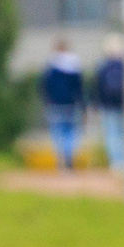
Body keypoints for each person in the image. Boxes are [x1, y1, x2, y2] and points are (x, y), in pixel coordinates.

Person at [40, 40, 86, 170]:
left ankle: (60, 158)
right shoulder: (74, 67)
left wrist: (46, 101)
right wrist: (82, 105)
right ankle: (69, 156)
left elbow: (44, 87)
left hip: (54, 104)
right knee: (70, 132)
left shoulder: (50, 68)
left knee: (57, 132)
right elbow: (80, 88)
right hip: (71, 104)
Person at [93, 34, 124, 171]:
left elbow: (97, 88)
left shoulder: (103, 67)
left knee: (112, 135)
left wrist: (96, 105)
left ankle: (116, 163)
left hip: (107, 106)